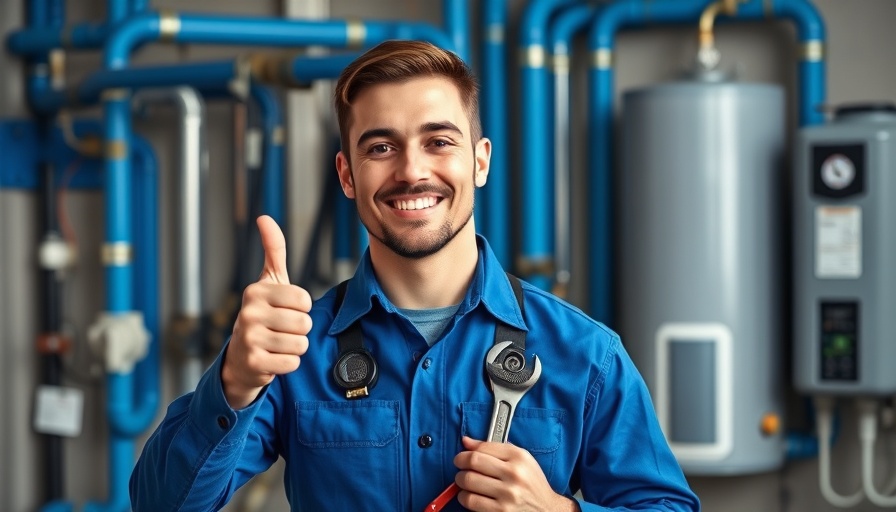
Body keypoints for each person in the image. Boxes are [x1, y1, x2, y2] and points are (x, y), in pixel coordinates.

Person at [130, 39, 700, 512]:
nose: (412, 170)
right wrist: (235, 380)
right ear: (347, 174)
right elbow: (160, 506)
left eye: (439, 142)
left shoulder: (586, 355)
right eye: (381, 147)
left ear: (479, 161)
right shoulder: (292, 350)